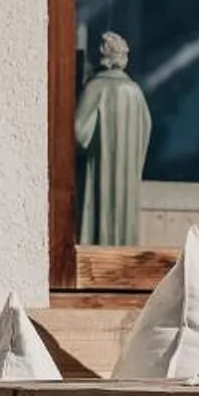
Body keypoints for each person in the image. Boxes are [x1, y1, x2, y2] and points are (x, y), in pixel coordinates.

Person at [74, 31, 151, 247]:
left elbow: (78, 133)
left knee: (98, 227)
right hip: (127, 177)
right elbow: (146, 129)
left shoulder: (95, 88)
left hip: (99, 171)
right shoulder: (135, 91)